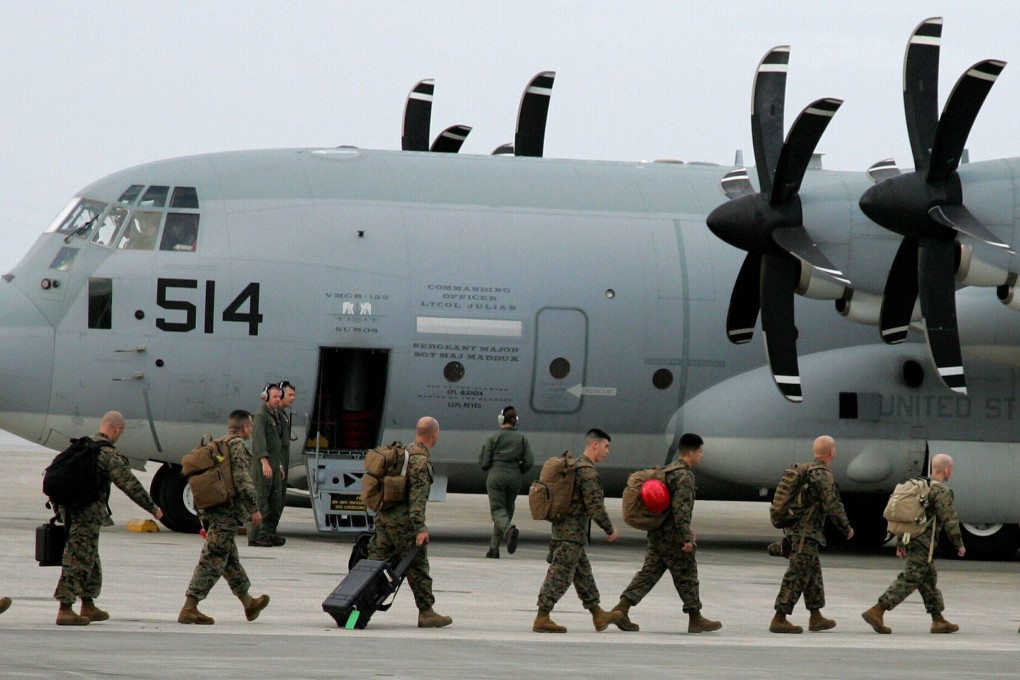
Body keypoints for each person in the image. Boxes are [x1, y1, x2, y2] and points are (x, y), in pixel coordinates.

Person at [52, 411, 163, 626]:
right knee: (78, 557)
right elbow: (130, 484)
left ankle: (88, 603)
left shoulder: (82, 446)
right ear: (117, 429)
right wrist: (154, 509)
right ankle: (65, 608)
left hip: (68, 509)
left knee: (89, 555)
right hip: (86, 512)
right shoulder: (107, 454)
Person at [611, 433, 722, 633]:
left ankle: (621, 609)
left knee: (649, 573)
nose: (701, 456)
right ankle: (695, 618)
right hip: (673, 537)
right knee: (687, 574)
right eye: (700, 452)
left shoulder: (668, 471)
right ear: (691, 452)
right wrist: (686, 538)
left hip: (658, 532)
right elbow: (681, 511)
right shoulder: (685, 476)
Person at [179, 410, 270, 624]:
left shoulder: (219, 443)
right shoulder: (237, 446)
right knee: (213, 558)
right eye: (251, 427)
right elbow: (242, 479)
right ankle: (190, 606)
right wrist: (253, 509)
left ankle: (249, 603)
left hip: (211, 510)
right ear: (246, 427)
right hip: (225, 513)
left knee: (229, 559)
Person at [862, 453, 966, 635]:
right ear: (947, 470)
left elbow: (905, 518)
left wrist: (901, 543)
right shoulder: (940, 491)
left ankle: (938, 620)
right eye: (952, 470)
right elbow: (949, 520)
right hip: (923, 543)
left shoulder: (918, 486)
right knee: (911, 577)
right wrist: (959, 544)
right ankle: (878, 610)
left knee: (928, 579)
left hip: (912, 539)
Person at [533, 428, 622, 633]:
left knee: (583, 576)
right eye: (606, 446)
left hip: (567, 533)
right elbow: (596, 507)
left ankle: (598, 615)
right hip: (570, 536)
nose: (608, 451)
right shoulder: (588, 473)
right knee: (560, 575)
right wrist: (609, 529)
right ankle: (542, 616)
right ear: (594, 445)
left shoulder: (575, 469)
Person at [366, 416, 452, 628]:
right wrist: (419, 528)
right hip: (404, 524)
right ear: (434, 434)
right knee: (418, 566)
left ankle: (358, 602)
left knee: (375, 564)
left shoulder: (404, 453)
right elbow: (417, 501)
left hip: (385, 518)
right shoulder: (421, 462)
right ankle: (426, 612)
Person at [769, 435, 854, 634]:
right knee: (797, 573)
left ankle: (816, 617)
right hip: (806, 533)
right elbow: (832, 505)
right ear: (831, 452)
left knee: (813, 574)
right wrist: (846, 527)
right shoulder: (822, 475)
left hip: (802, 532)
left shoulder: (807, 471)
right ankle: (779, 618)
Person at [479, 405, 534, 558]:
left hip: (496, 475)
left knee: (497, 511)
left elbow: (484, 462)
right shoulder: (523, 439)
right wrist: (518, 470)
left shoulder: (493, 438)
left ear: (502, 419)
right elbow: (529, 461)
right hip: (515, 477)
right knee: (506, 511)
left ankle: (509, 530)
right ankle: (494, 548)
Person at [248, 383, 285, 547]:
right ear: (265, 397)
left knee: (275, 500)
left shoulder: (275, 415)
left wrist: (279, 466)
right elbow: (258, 441)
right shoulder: (260, 416)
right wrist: (264, 462)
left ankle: (269, 533)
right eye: (275, 396)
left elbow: (277, 443)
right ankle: (256, 536)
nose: (278, 399)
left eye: (279, 396)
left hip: (275, 464)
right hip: (263, 464)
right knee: (261, 499)